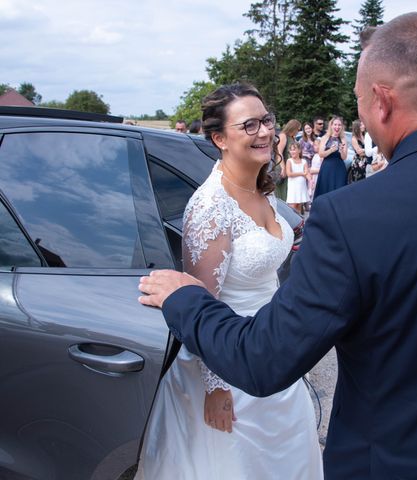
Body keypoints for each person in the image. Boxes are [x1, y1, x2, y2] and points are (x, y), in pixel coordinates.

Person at [139, 13, 417, 480]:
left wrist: (184, 298)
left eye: (358, 103)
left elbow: (264, 359)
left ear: (381, 101)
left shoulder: (351, 216)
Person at [135, 83, 322, 479]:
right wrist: (217, 388)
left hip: (270, 348)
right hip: (228, 364)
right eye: (249, 125)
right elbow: (202, 301)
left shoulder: (263, 190)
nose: (265, 132)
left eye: (267, 120)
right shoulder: (210, 207)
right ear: (219, 138)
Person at [313, 116, 348, 199]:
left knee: (339, 191)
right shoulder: (325, 138)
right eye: (335, 124)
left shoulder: (343, 139)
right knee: (325, 190)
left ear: (342, 127)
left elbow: (344, 157)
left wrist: (341, 151)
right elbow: (321, 154)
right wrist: (331, 150)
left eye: (339, 125)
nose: (337, 127)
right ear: (331, 126)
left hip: (339, 168)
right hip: (327, 167)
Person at [275, 119, 301, 201]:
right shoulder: (283, 136)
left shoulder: (292, 137)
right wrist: (283, 168)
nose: (298, 131)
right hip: (283, 166)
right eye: (298, 129)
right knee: (283, 192)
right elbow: (279, 152)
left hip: (290, 169)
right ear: (293, 128)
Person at [285, 141, 309, 214]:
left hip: (301, 187)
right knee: (292, 206)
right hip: (293, 187)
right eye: (291, 150)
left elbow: (306, 173)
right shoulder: (289, 161)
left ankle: (299, 223)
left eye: (294, 149)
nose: (292, 151)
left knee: (299, 205)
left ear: (299, 150)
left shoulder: (304, 161)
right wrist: (301, 173)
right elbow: (289, 174)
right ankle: (293, 223)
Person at [348, 119, 367, 183]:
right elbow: (359, 152)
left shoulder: (365, 136)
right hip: (358, 163)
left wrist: (364, 150)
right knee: (358, 182)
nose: (363, 126)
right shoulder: (354, 138)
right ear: (357, 127)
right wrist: (370, 151)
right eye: (361, 125)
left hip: (366, 162)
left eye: (363, 124)